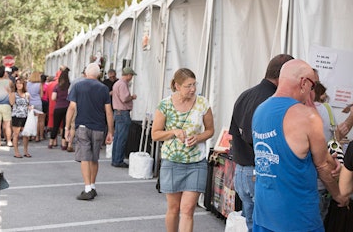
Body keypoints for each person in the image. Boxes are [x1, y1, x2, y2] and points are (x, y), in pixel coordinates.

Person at [251, 59, 349, 232]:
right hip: (297, 217)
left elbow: (281, 154)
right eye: (313, 86)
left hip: (264, 212)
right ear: (304, 82)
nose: (312, 92)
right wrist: (339, 195)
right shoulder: (307, 116)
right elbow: (324, 166)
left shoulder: (260, 110)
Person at [229, 54, 294, 231]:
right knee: (269, 225)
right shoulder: (274, 101)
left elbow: (234, 133)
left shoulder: (245, 95)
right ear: (283, 75)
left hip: (242, 172)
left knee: (252, 223)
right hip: (260, 172)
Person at [151, 68, 214, 232]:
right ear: (177, 86)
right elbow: (155, 134)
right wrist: (173, 132)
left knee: (188, 209)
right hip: (172, 162)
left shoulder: (202, 103)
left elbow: (210, 130)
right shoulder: (165, 104)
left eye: (194, 84)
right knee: (173, 208)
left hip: (196, 162)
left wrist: (198, 138)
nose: (193, 89)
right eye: (188, 86)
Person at [65, 63, 114, 200]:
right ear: (98, 74)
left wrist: (67, 127)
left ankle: (87, 189)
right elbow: (109, 112)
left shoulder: (78, 86)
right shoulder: (104, 88)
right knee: (94, 157)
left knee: (85, 158)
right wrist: (111, 131)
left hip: (82, 126)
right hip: (99, 127)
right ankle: (92, 186)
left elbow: (71, 108)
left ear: (86, 73)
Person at [111, 67, 137, 168]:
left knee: (117, 137)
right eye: (131, 75)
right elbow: (124, 98)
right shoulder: (122, 84)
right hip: (123, 112)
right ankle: (118, 160)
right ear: (128, 75)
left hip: (117, 112)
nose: (131, 78)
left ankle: (115, 159)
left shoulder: (117, 83)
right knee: (122, 138)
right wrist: (132, 97)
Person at [49, 69, 72, 151]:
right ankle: (63, 143)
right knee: (66, 126)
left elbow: (53, 97)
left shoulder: (57, 86)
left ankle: (51, 142)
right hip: (67, 108)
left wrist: (58, 100)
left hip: (58, 107)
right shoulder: (70, 86)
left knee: (56, 125)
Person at [10, 77, 31, 158]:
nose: (18, 85)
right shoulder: (13, 94)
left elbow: (28, 104)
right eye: (17, 83)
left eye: (20, 83)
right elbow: (12, 103)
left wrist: (30, 108)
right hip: (17, 116)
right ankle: (16, 152)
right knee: (16, 134)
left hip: (26, 116)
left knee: (26, 134)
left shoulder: (27, 94)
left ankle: (26, 151)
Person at [26, 71, 45, 142]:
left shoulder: (28, 84)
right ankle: (38, 136)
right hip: (38, 102)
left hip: (30, 103)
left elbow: (26, 94)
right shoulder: (39, 84)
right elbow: (42, 95)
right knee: (39, 121)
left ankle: (31, 135)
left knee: (31, 119)